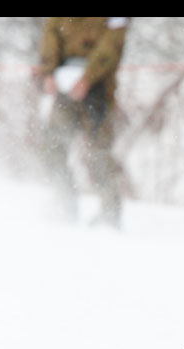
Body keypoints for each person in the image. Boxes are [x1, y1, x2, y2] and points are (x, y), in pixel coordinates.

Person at [37, 17, 129, 227]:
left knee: (98, 154)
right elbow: (51, 33)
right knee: (52, 147)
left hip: (99, 90)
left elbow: (112, 45)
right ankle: (64, 204)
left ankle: (109, 214)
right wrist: (48, 71)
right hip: (63, 85)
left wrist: (88, 78)